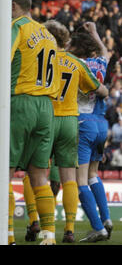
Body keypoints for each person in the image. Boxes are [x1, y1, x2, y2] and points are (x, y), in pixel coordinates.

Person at [0, 0, 60, 245]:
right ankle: (49, 237)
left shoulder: (16, 26)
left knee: (3, 171)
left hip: (21, 102)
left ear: (12, 6)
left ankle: (8, 237)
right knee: (39, 176)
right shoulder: (48, 34)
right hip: (46, 108)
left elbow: (2, 55)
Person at [22, 20, 107, 243]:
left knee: (34, 173)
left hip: (46, 118)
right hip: (71, 121)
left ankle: (35, 222)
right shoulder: (75, 62)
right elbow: (101, 89)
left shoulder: (38, 59)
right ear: (65, 40)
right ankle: (69, 229)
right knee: (70, 178)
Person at [69, 22, 113, 242]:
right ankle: (106, 219)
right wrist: (95, 32)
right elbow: (105, 51)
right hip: (101, 123)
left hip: (83, 123)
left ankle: (98, 228)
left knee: (81, 181)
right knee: (93, 174)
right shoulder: (99, 62)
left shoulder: (77, 64)